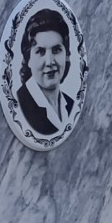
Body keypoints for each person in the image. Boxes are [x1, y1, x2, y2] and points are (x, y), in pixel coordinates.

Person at [15, 8, 75, 136]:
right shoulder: (19, 105)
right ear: (28, 59)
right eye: (41, 52)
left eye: (56, 50)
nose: (49, 62)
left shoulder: (71, 105)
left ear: (66, 55)